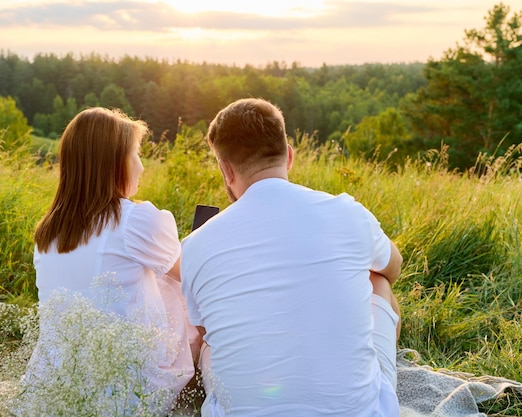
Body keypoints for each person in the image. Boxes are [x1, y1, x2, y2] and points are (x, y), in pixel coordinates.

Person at [181, 98, 403, 416]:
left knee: (211, 345)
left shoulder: (196, 245)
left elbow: (208, 334)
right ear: (289, 155)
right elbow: (392, 268)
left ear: (226, 170)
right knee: (378, 280)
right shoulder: (348, 212)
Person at [23, 107, 198, 414]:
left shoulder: (48, 232)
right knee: (174, 283)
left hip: (55, 383)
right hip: (122, 389)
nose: (141, 167)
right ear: (113, 163)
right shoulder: (134, 220)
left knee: (148, 274)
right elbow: (196, 276)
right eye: (136, 155)